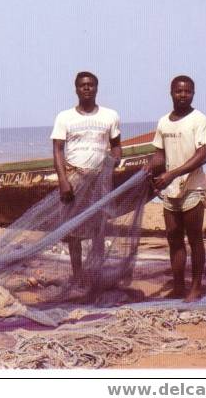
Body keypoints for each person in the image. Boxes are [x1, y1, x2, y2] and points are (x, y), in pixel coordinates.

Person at [51, 71, 122, 288]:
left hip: (100, 180)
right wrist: (63, 180)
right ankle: (77, 274)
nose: (87, 88)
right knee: (73, 230)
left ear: (96, 88)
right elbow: (57, 151)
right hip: (74, 177)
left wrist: (116, 158)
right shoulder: (64, 117)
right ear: (76, 89)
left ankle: (96, 272)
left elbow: (116, 145)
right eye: (83, 85)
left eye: (91, 85)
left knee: (99, 228)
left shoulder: (110, 116)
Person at [146, 75, 206, 302]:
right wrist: (150, 170)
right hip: (170, 191)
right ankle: (178, 286)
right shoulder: (163, 122)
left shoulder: (200, 120)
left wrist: (172, 173)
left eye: (188, 92)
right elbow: (159, 155)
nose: (183, 95)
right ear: (171, 93)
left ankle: (196, 287)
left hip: (192, 188)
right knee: (174, 239)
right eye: (179, 91)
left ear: (193, 93)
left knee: (194, 239)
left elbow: (203, 156)